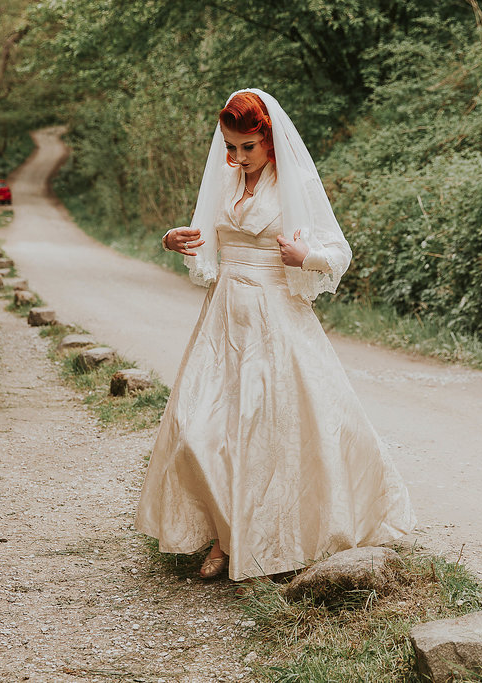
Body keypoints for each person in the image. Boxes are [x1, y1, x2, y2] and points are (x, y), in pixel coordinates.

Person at [135, 88, 415, 583]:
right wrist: (173, 239)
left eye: (247, 147)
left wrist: (304, 258)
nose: (237, 158)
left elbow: (338, 252)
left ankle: (251, 543)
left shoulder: (296, 185)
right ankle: (225, 531)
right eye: (230, 147)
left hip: (276, 319)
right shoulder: (226, 181)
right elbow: (204, 238)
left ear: (267, 138)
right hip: (223, 319)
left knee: (271, 434)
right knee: (198, 429)